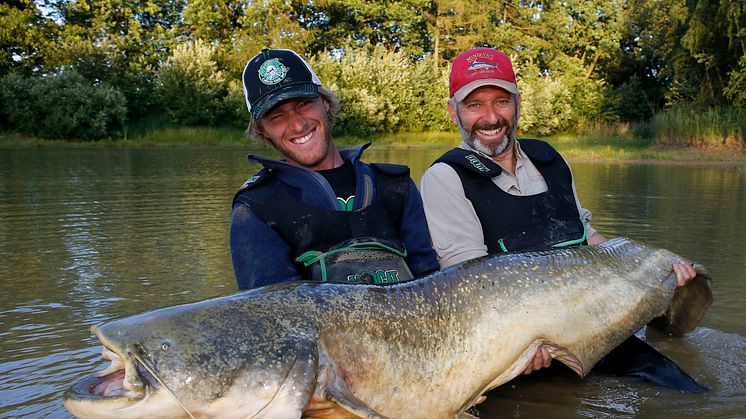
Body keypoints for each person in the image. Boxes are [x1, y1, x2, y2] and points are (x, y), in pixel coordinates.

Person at [419, 47, 697, 375]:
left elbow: (589, 239)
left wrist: (652, 269)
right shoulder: (445, 178)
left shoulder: (551, 160)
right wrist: (520, 343)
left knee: (688, 391)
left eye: (501, 102)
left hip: (587, 323)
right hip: (517, 348)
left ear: (518, 103)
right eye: (474, 105)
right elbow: (471, 288)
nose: (491, 118)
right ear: (454, 112)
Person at [230, 48, 439, 290]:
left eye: (304, 104)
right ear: (263, 130)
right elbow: (273, 312)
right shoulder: (255, 208)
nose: (297, 124)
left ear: (325, 104)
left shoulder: (395, 185)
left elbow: (431, 283)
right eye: (276, 116)